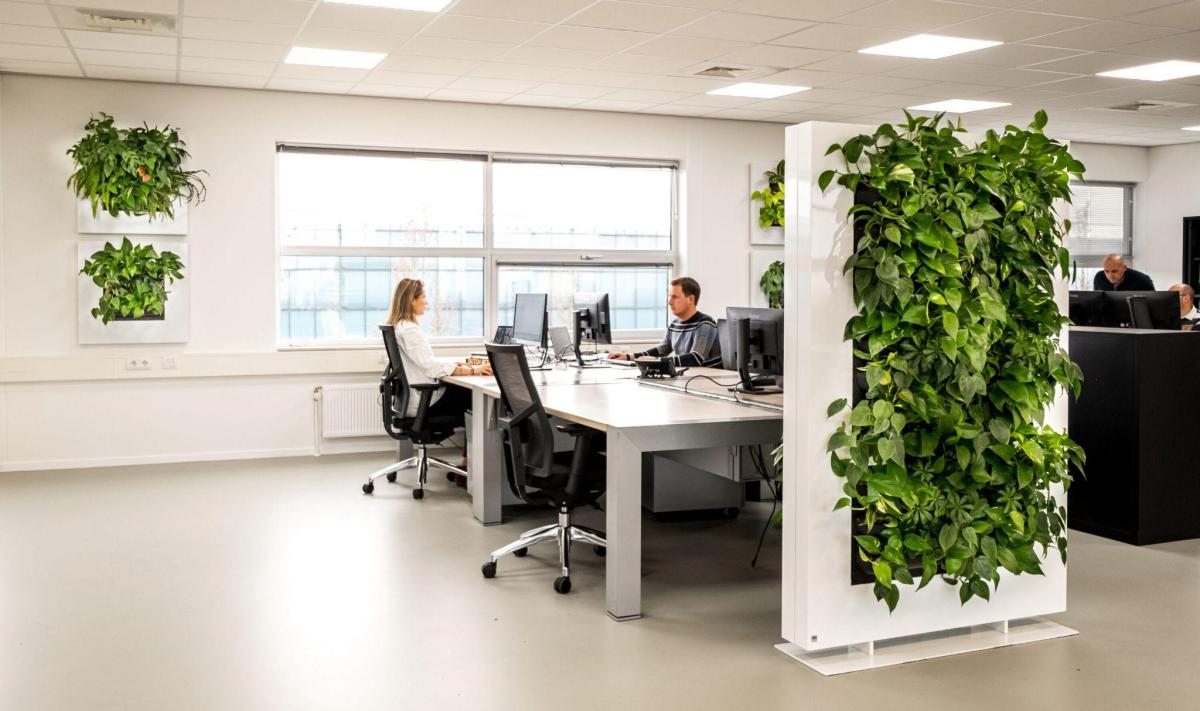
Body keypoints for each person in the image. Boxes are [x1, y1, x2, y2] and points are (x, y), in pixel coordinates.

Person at [387, 278, 491, 481]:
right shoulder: (410, 330)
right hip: (423, 401)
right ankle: (468, 467)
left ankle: (466, 463)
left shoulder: (398, 327)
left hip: (408, 401)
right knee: (476, 399)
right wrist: (472, 370)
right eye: (423, 297)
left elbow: (424, 362)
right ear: (411, 300)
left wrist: (458, 366)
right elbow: (430, 366)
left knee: (466, 394)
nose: (425, 301)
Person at [607, 276, 721, 367]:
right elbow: (661, 351)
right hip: (691, 377)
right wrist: (629, 357)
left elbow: (695, 358)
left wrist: (656, 361)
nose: (669, 302)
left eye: (675, 297)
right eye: (669, 296)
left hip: (709, 379)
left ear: (691, 299)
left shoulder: (705, 324)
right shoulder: (674, 324)